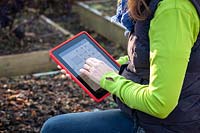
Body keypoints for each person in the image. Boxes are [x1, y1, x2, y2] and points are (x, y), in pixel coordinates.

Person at [41, 0, 200, 132]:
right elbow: (151, 59)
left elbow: (160, 103)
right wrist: (107, 67)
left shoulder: (173, 10)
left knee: (54, 129)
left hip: (167, 126)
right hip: (153, 119)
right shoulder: (150, 4)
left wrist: (109, 78)